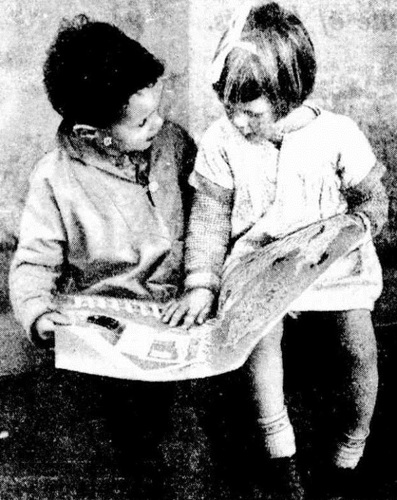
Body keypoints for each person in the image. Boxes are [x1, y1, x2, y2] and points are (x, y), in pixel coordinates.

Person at [162, 2, 388, 498]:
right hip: (258, 266)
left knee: (359, 349)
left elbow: (372, 197)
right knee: (257, 345)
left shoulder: (336, 135)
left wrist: (357, 226)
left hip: (328, 267)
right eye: (230, 108)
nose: (239, 121)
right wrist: (202, 281)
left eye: (253, 111)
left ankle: (350, 448)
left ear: (290, 93)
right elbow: (209, 217)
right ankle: (278, 452)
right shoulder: (223, 141)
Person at [9, 14, 196, 498]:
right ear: (94, 132)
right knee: (123, 435)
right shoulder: (56, 179)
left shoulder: (173, 144)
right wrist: (40, 316)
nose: (159, 124)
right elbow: (34, 261)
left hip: (183, 310)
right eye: (141, 122)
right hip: (111, 327)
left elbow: (208, 212)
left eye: (158, 110)